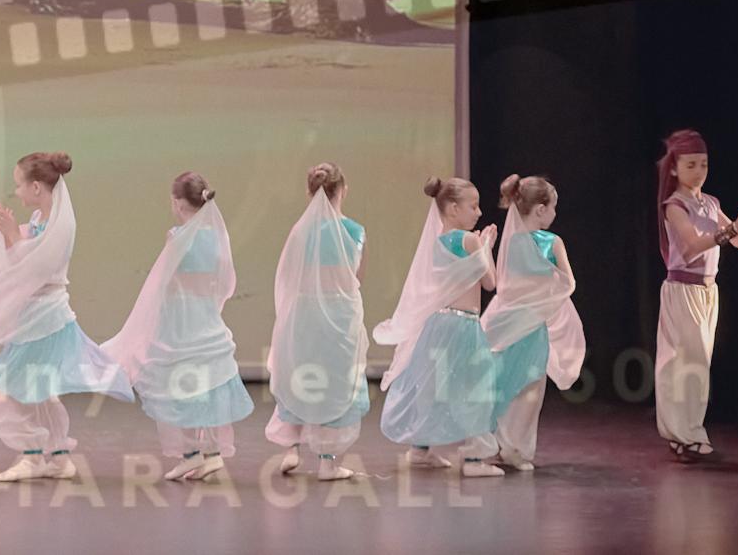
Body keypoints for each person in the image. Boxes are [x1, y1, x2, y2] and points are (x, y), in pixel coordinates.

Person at [0, 151, 134, 483]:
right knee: (38, 388)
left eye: (19, 185)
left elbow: (37, 267)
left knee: (14, 387)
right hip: (37, 317)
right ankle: (57, 457)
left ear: (37, 187)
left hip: (44, 321)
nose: (17, 192)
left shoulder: (60, 223)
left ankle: (32, 456)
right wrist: (7, 233)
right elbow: (23, 259)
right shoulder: (42, 218)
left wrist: (12, 234)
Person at [100, 170, 253, 481]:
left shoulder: (177, 237)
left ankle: (191, 455)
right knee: (206, 385)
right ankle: (211, 453)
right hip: (205, 317)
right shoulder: (216, 238)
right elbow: (222, 282)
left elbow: (164, 282)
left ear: (177, 203)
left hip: (179, 320)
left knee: (177, 387)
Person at [655, 128, 738, 461]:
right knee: (686, 363)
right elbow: (694, 245)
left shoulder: (710, 203)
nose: (699, 171)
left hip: (707, 291)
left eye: (704, 164)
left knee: (697, 364)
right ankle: (687, 436)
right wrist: (735, 227)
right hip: (683, 290)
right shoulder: (675, 206)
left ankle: (685, 435)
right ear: (674, 168)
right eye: (691, 165)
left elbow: (736, 240)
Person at [376, 177, 504, 478]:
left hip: (438, 325)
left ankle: (420, 450)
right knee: (475, 386)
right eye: (473, 206)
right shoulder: (469, 241)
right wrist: (487, 246)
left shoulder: (438, 243)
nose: (479, 212)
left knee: (433, 387)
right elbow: (491, 282)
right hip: (462, 325)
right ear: (453, 208)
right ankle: (474, 459)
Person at [264, 161, 368, 481]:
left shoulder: (301, 232)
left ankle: (291, 448)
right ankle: (327, 462)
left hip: (304, 313)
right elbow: (356, 277)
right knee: (334, 382)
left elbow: (290, 276)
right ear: (343, 190)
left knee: (301, 375)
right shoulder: (354, 231)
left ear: (310, 193)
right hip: (338, 315)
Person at [483, 174, 585, 470]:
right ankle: (516, 449)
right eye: (553, 207)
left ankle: (501, 444)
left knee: (504, 384)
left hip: (507, 324)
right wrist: (546, 292)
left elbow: (504, 286)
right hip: (531, 327)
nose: (554, 213)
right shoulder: (552, 243)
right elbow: (568, 283)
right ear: (541, 209)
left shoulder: (511, 242)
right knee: (529, 389)